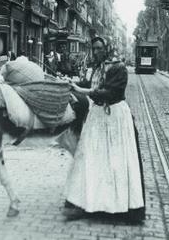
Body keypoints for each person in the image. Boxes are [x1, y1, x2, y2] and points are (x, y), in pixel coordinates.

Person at [62, 36, 146, 222]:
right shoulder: (98, 68)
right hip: (97, 115)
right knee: (90, 157)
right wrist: (73, 83)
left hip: (115, 117)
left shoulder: (118, 67)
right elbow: (92, 86)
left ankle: (117, 207)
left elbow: (111, 93)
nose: (96, 52)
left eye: (99, 48)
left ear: (107, 49)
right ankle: (90, 203)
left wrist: (83, 91)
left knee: (115, 160)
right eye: (94, 48)